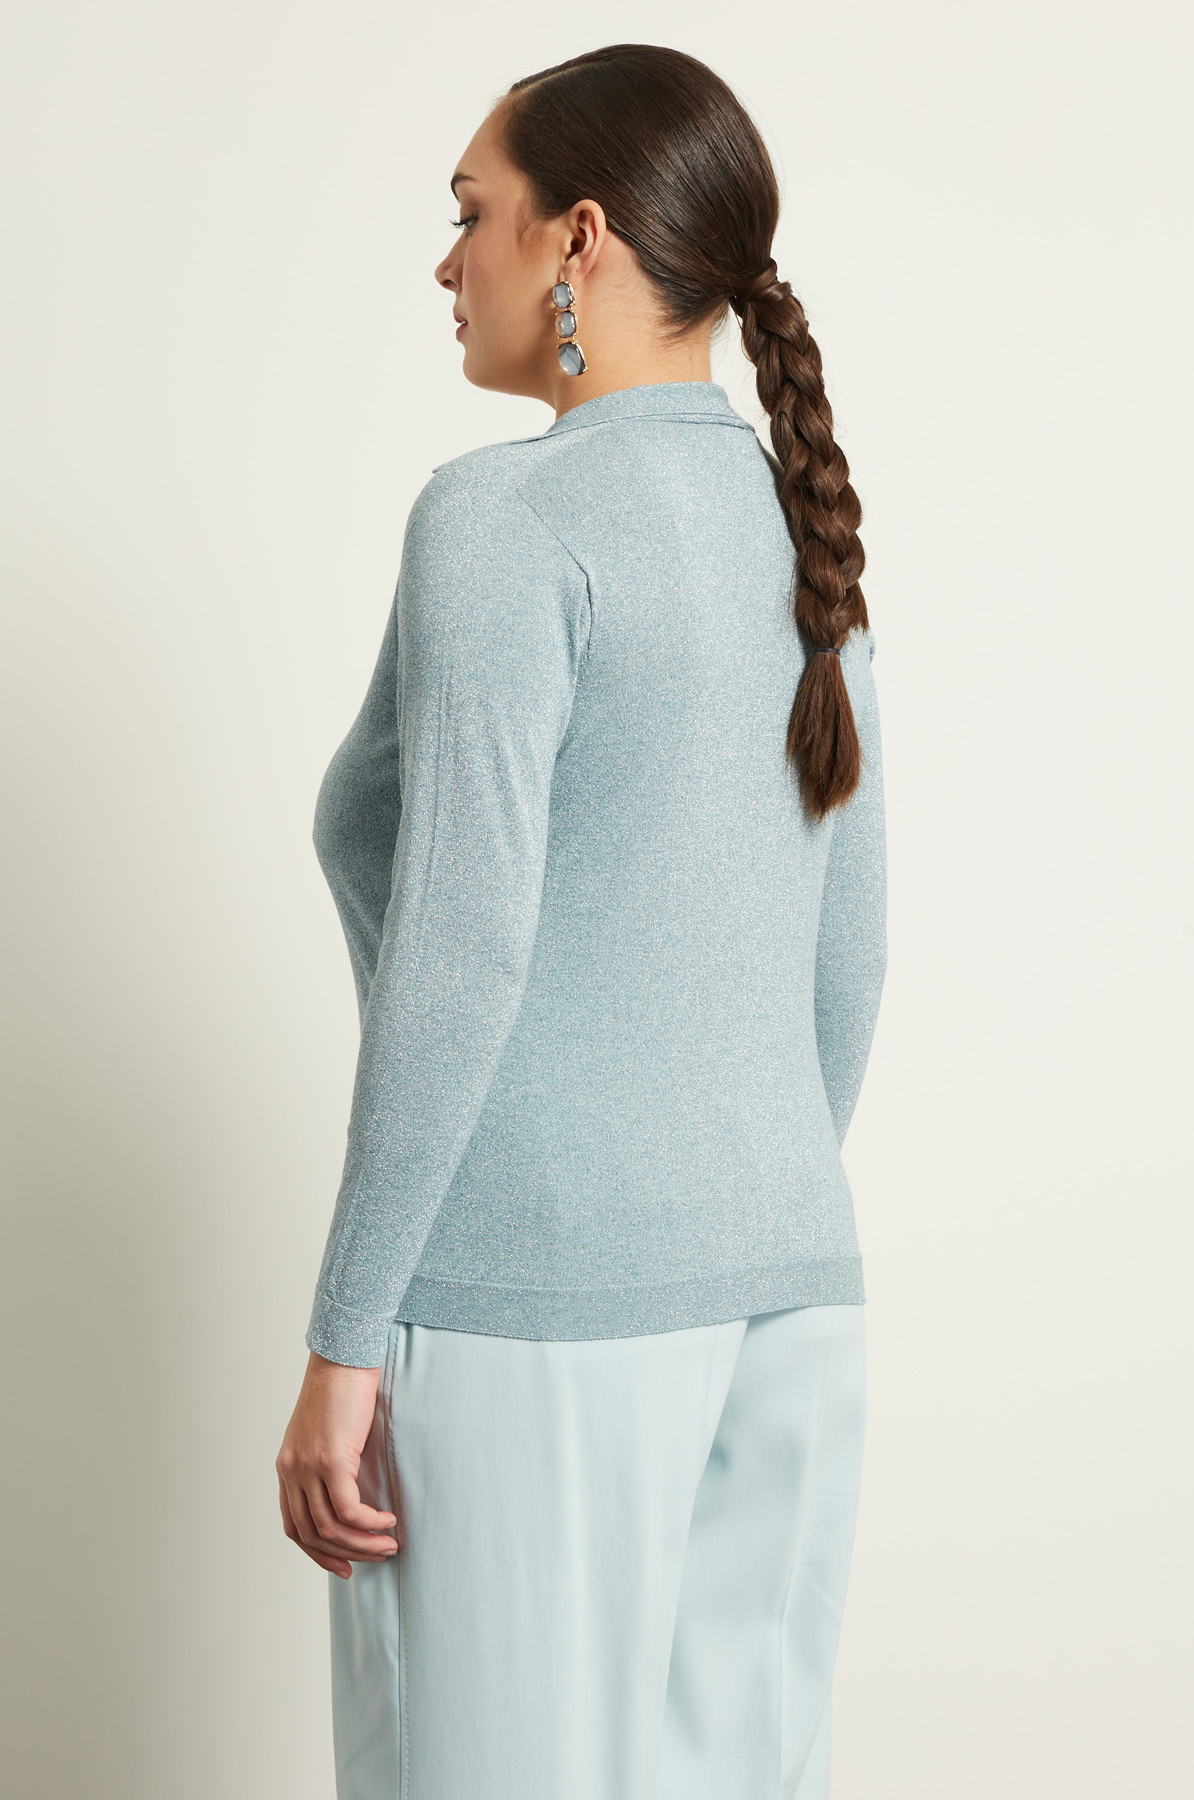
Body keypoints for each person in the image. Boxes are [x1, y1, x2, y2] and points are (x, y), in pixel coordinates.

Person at [275, 41, 887, 1800]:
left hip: (529, 1311)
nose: (446, 258)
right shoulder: (807, 531)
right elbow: (846, 952)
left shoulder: (504, 519)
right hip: (792, 1290)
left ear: (581, 239)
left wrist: (344, 1338)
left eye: (472, 212)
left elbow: (463, 948)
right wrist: (721, 1187)